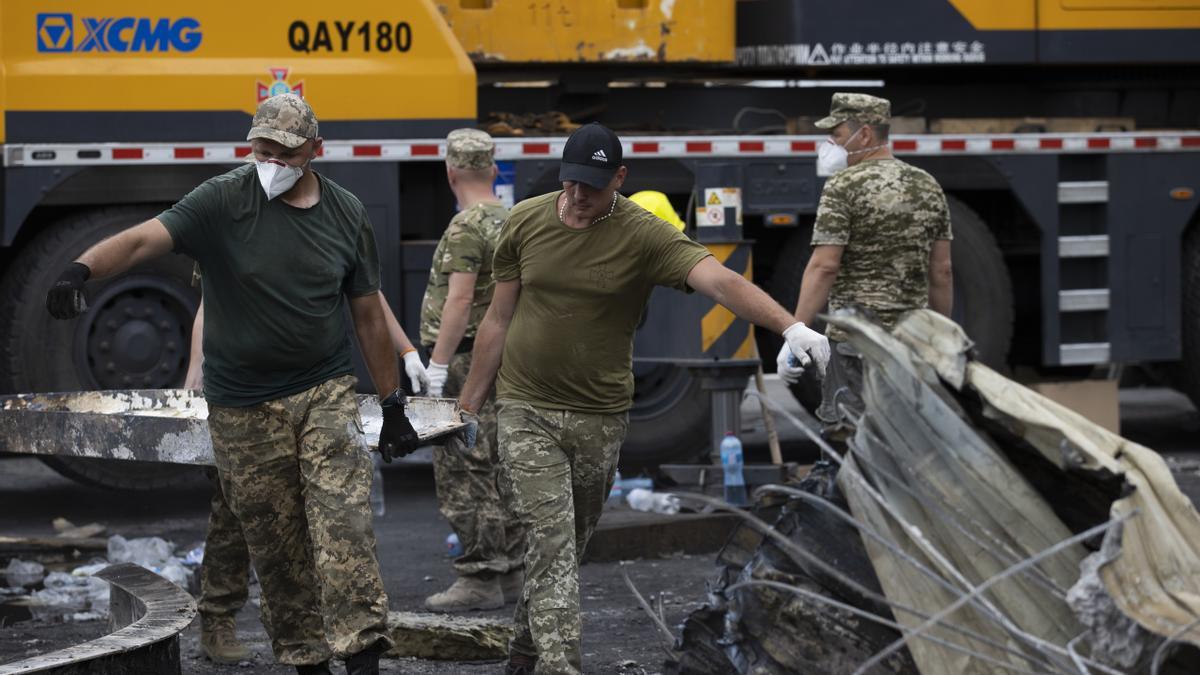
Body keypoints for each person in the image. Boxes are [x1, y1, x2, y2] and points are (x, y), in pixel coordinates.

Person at [46, 93, 420, 675]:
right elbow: (146, 238)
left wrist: (393, 402)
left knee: (344, 528)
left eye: (283, 152)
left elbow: (368, 312)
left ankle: (364, 655)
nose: (268, 160)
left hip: (323, 392)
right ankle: (307, 661)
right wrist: (81, 270)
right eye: (260, 149)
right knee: (277, 550)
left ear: (314, 152)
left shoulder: (346, 213)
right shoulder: (223, 200)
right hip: (243, 407)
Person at [455, 122, 832, 675]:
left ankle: (523, 655)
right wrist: (467, 406)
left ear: (620, 179)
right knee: (553, 540)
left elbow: (721, 282)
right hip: (524, 406)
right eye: (573, 183)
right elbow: (497, 318)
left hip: (599, 415)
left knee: (564, 549)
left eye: (595, 186)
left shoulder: (643, 234)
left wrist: (792, 328)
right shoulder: (525, 221)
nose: (580, 197)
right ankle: (560, 666)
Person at [183, 284, 427, 665]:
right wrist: (196, 368)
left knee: (337, 520)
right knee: (250, 517)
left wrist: (406, 351)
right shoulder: (229, 224)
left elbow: (366, 293)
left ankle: (348, 643)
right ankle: (219, 618)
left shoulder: (327, 224)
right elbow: (211, 298)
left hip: (316, 392)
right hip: (245, 397)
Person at [777, 92, 954, 436]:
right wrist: (938, 336)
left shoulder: (842, 187)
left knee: (856, 442)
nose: (830, 144)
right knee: (907, 440)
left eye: (838, 135)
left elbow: (824, 267)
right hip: (909, 343)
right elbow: (942, 271)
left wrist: (796, 331)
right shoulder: (927, 185)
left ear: (866, 135)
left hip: (853, 345)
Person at [418, 129, 525, 612]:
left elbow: (459, 299)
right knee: (500, 462)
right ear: (494, 169)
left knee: (464, 468)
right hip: (503, 356)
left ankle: (480, 576)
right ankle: (512, 572)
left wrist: (437, 366)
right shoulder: (512, 218)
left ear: (451, 171)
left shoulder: (466, 227)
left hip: (463, 360)